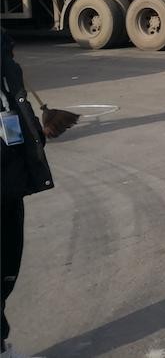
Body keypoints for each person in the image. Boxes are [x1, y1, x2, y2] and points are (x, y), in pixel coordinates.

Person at [1, 31, 55, 357]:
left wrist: (34, 132)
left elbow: (16, 102)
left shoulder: (3, 49)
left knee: (6, 272)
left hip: (9, 182)